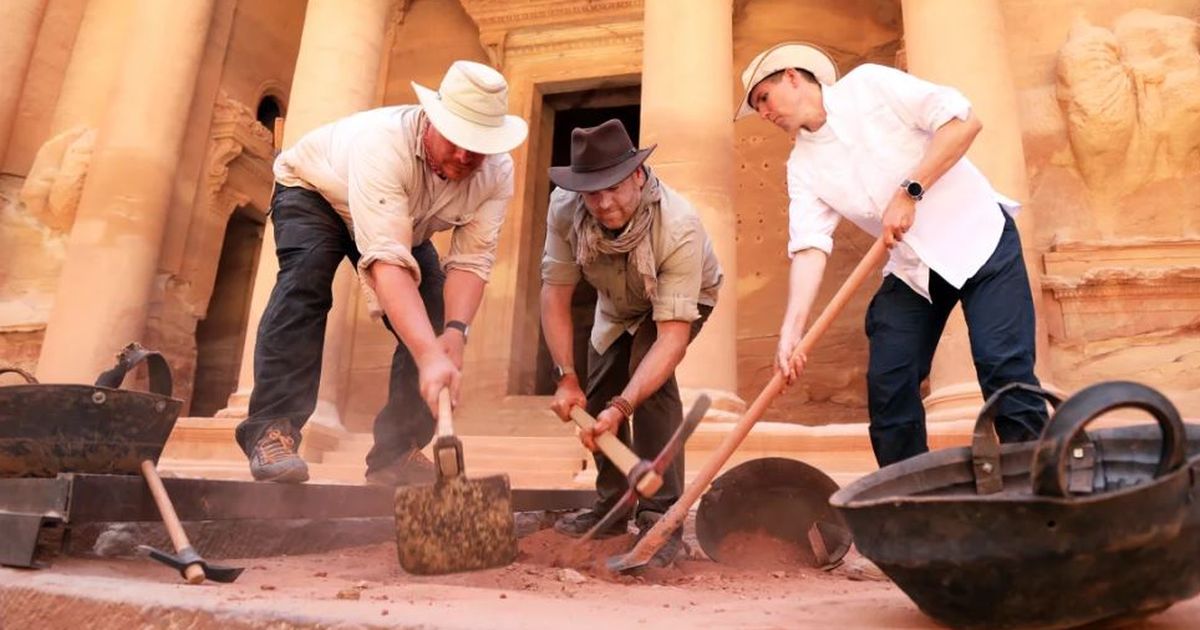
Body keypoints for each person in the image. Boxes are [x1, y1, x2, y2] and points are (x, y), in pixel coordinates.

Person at [737, 42, 1046, 466]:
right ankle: (907, 507)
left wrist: (910, 190)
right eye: (757, 108)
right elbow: (810, 246)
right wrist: (793, 330)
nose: (764, 113)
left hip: (980, 241)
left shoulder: (870, 86)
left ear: (792, 76)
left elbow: (963, 123)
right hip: (914, 270)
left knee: (1003, 368)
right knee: (889, 382)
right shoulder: (802, 167)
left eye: (764, 99)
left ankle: (1039, 491)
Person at [235, 60, 528, 484]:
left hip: (401, 220)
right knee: (306, 284)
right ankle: (271, 430)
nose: (466, 156)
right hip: (317, 192)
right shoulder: (384, 142)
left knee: (430, 315)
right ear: (431, 119)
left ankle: (396, 454)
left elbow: (471, 261)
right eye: (457, 139)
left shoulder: (497, 173)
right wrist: (428, 357)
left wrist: (453, 333)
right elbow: (387, 262)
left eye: (478, 145)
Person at [540, 119, 722, 566]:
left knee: (650, 387)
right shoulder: (565, 209)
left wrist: (623, 408)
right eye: (592, 192)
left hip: (679, 301)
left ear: (638, 176)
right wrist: (565, 378)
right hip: (615, 304)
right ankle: (613, 505)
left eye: (613, 188)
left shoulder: (678, 224)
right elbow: (555, 293)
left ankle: (662, 518)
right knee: (598, 389)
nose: (602, 204)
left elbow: (671, 338)